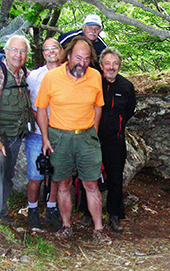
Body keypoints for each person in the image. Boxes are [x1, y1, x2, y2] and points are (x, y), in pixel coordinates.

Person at [35, 36, 112, 245]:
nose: (82, 63)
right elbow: (41, 108)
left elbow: (98, 106)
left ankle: (98, 230)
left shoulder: (95, 76)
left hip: (86, 136)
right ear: (68, 55)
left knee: (91, 183)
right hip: (59, 137)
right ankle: (66, 226)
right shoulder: (52, 78)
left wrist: (93, 132)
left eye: (86, 59)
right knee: (63, 183)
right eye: (78, 57)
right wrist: (45, 138)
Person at [78, 48, 136, 232]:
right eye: (108, 63)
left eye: (115, 63)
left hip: (115, 140)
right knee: (88, 177)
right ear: (101, 65)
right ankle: (87, 213)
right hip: (92, 138)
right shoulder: (93, 83)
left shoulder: (126, 86)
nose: (111, 67)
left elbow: (129, 111)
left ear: (119, 65)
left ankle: (114, 214)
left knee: (115, 178)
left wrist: (117, 126)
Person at [0, 35, 34, 226]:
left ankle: (1, 212)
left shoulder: (24, 74)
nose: (18, 55)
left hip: (14, 133)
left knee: (8, 172)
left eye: (23, 51)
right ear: (6, 52)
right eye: (15, 50)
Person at [24, 38, 63, 231]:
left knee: (56, 175)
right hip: (37, 134)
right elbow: (29, 103)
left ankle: (51, 210)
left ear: (61, 50)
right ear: (43, 53)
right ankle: (32, 212)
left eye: (54, 47)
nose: (51, 52)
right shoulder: (34, 76)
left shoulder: (68, 73)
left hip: (61, 133)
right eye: (46, 49)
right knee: (35, 176)